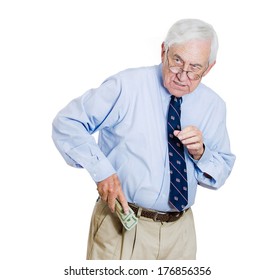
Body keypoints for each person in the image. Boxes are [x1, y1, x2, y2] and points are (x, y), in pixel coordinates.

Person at [52, 18, 235, 260]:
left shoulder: (213, 105)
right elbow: (67, 122)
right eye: (177, 60)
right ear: (163, 51)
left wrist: (201, 153)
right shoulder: (126, 86)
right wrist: (102, 171)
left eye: (195, 68)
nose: (183, 75)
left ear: (209, 68)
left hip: (181, 233)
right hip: (123, 224)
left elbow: (220, 172)